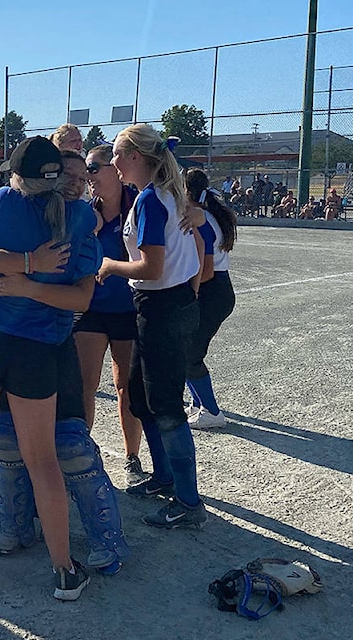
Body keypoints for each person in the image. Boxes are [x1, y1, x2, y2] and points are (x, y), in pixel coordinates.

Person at [0, 136, 100, 601]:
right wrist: (33, 278)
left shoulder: (0, 201)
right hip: (36, 345)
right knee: (42, 458)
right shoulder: (80, 217)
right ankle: (63, 571)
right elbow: (82, 300)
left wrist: (22, 278)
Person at [97, 124, 206, 529]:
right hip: (163, 304)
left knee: (166, 406)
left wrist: (110, 267)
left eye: (118, 155)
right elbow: (192, 248)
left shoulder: (150, 200)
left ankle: (189, 502)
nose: (113, 163)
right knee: (142, 398)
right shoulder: (167, 195)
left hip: (161, 307)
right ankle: (165, 477)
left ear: (137, 158)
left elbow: (151, 266)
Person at [0, 335, 130, 575]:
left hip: (3, 341)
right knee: (71, 450)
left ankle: (12, 531)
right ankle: (106, 546)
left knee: (9, 444)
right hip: (51, 341)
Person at [73, 144, 145, 491]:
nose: (89, 178)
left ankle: (132, 458)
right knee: (86, 385)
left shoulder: (139, 206)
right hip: (90, 309)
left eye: (94, 169)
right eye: (87, 171)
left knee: (125, 388)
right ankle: (81, 454)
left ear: (115, 170)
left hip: (129, 311)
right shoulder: (86, 213)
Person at [183, 169, 237, 431]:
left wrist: (186, 292)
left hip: (211, 290)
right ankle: (198, 403)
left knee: (190, 353)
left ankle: (212, 411)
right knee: (184, 349)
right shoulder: (208, 213)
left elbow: (205, 272)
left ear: (187, 192)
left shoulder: (200, 219)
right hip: (216, 289)